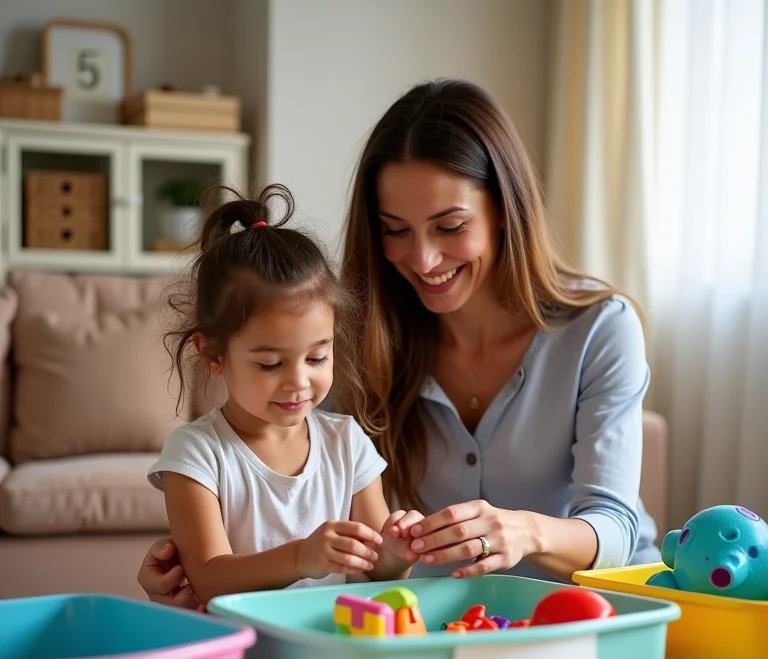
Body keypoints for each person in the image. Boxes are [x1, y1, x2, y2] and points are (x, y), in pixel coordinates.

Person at [138, 78, 660, 610]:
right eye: (396, 230)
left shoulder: (600, 329)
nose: (425, 260)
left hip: (582, 610)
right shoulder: (358, 341)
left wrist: (526, 532)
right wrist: (194, 567)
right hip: (444, 622)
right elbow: (290, 473)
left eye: (450, 225)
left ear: (505, 210)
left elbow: (616, 529)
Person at [144, 183, 423, 606]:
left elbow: (376, 571)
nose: (298, 382)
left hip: (331, 646)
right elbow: (208, 577)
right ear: (213, 354)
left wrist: (397, 553)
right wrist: (300, 557)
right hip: (240, 655)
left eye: (317, 358)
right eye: (270, 364)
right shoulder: (197, 453)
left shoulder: (347, 443)